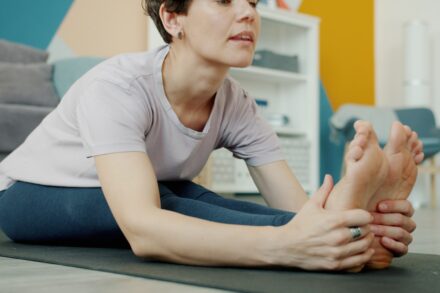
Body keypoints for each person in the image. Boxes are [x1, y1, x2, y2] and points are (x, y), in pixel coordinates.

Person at [0, 0, 423, 271]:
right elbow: (144, 230)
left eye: (253, 2)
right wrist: (285, 246)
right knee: (163, 203)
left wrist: (354, 224)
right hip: (26, 196)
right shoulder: (116, 88)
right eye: (225, 0)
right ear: (172, 17)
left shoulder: (236, 102)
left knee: (196, 198)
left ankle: (355, 235)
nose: (248, 13)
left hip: (152, 190)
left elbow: (296, 207)